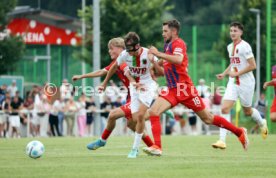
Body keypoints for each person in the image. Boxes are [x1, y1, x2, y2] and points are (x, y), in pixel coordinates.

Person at [141, 19, 249, 156]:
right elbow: (163, 64)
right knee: (154, 112)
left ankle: (239, 132)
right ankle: (157, 147)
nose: (163, 34)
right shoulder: (168, 46)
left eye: (165, 31)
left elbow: (178, 59)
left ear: (173, 31)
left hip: (185, 89)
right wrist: (153, 63)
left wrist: (157, 54)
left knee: (208, 119)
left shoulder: (178, 43)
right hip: (172, 90)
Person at [72, 37, 154, 150]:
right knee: (131, 124)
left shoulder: (125, 60)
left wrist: (133, 83)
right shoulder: (117, 62)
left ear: (121, 48)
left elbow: (127, 71)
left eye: (111, 48)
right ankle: (153, 146)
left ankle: (102, 140)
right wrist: (82, 76)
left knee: (113, 115)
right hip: (132, 95)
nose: (109, 51)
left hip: (139, 95)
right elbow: (102, 72)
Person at [99, 32, 160, 158]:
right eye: (127, 50)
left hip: (147, 86)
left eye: (131, 50)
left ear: (137, 46)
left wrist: (155, 66)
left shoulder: (147, 53)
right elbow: (113, 67)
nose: (129, 53)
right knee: (134, 120)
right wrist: (104, 83)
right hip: (134, 88)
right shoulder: (125, 54)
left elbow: (161, 69)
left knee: (141, 116)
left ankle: (134, 149)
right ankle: (157, 110)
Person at [212, 22, 268, 149]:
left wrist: (236, 73)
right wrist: (225, 73)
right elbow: (233, 63)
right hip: (233, 82)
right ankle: (222, 140)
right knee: (224, 108)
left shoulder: (245, 46)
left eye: (235, 31)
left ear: (241, 33)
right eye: (231, 30)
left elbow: (253, 65)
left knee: (247, 111)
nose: (232, 33)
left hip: (246, 83)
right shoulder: (229, 47)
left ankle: (262, 122)